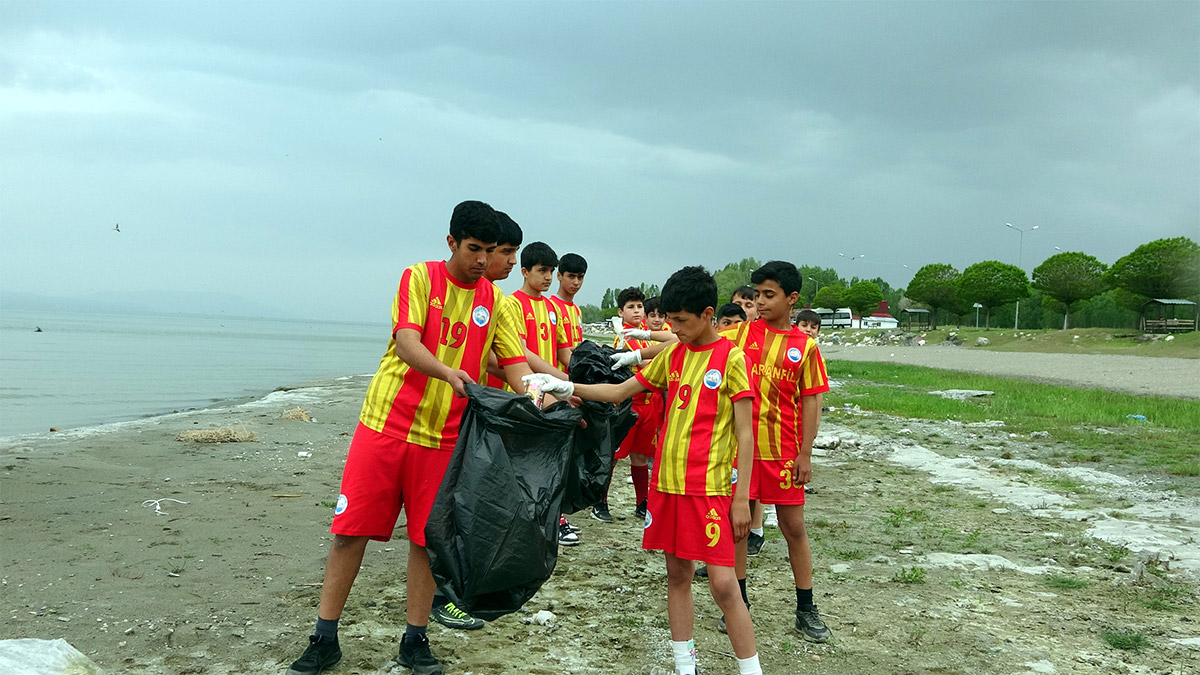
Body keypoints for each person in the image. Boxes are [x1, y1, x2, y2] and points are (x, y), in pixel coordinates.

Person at [284, 201, 534, 675]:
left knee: (426, 542)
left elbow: (517, 367)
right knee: (349, 533)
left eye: (489, 251)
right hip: (385, 426)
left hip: (443, 441)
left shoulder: (497, 303)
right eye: (473, 249)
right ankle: (324, 637)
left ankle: (415, 641)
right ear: (452, 243)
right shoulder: (419, 278)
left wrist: (547, 399)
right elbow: (407, 342)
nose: (482, 260)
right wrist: (449, 374)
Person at [524, 266, 764, 675]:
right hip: (666, 487)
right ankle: (684, 666)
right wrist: (566, 386)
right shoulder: (673, 354)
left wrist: (741, 499)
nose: (675, 329)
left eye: (683, 322)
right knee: (677, 575)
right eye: (671, 321)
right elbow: (620, 391)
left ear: (708, 314)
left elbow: (746, 435)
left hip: (708, 490)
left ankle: (750, 669)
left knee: (724, 585)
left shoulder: (732, 357)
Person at [720, 261, 831, 642]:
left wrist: (806, 453)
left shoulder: (807, 347)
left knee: (794, 528)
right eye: (758, 295)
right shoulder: (740, 335)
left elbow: (812, 402)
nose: (761, 302)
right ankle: (740, 603)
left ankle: (806, 607)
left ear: (792, 299)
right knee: (737, 531)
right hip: (741, 453)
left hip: (784, 455)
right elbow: (691, 343)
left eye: (769, 295)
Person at [593, 287, 673, 523]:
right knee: (614, 455)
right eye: (632, 307)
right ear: (621, 311)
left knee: (640, 455)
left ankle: (642, 502)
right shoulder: (625, 336)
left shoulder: (653, 333)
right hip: (629, 403)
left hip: (651, 404)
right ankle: (600, 501)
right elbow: (646, 363)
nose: (637, 311)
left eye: (640, 307)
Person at [549, 253, 588, 371]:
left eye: (580, 277)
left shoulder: (577, 310)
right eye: (571, 276)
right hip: (558, 375)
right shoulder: (551, 306)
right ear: (559, 276)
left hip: (574, 374)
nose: (576, 282)